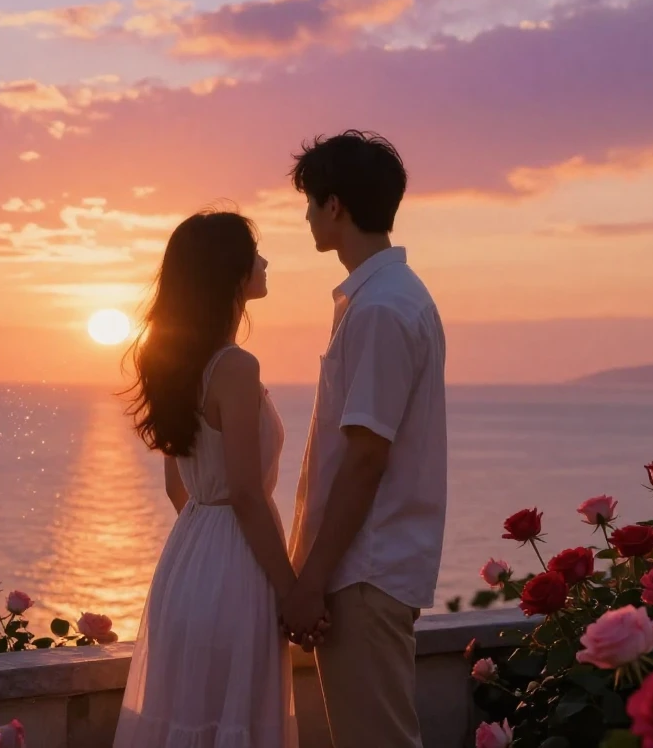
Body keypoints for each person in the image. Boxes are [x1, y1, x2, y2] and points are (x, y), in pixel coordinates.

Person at [279, 130, 449, 748]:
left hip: (364, 571)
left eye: (309, 202)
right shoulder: (386, 298)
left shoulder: (380, 308)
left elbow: (365, 457)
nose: (304, 217)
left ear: (335, 206)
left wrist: (311, 579)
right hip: (365, 568)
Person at [113, 210, 303, 748]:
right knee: (236, 723)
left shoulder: (175, 363)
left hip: (188, 562)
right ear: (230, 271)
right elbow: (246, 493)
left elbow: (178, 485)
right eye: (254, 253)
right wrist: (291, 592)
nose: (264, 262)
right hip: (237, 572)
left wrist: (208, 545)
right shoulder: (235, 367)